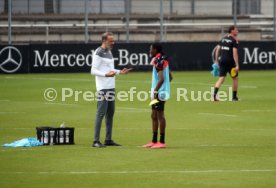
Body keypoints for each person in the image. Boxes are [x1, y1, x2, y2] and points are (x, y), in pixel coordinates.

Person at [91, 32, 129, 148]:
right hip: (103, 88)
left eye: (113, 40)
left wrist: (119, 72)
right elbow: (93, 70)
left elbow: (110, 69)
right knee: (100, 114)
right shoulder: (98, 52)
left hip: (111, 86)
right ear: (104, 41)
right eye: (111, 41)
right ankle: (95, 141)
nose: (113, 43)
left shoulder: (109, 51)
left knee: (110, 113)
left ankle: (108, 139)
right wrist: (106, 75)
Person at [143, 43, 172, 149]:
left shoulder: (158, 61)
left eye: (151, 49)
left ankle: (162, 141)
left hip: (159, 93)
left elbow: (162, 78)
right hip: (160, 91)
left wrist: (156, 92)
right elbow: (170, 76)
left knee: (160, 116)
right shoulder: (161, 59)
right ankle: (154, 141)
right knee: (154, 116)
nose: (149, 51)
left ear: (155, 50)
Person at [213, 25, 240, 101]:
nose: (237, 31)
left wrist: (217, 61)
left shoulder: (223, 39)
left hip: (222, 61)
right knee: (235, 78)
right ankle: (234, 97)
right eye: (236, 30)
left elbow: (217, 50)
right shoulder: (234, 40)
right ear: (232, 31)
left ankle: (214, 95)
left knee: (221, 78)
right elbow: (235, 52)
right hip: (230, 62)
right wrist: (237, 65)